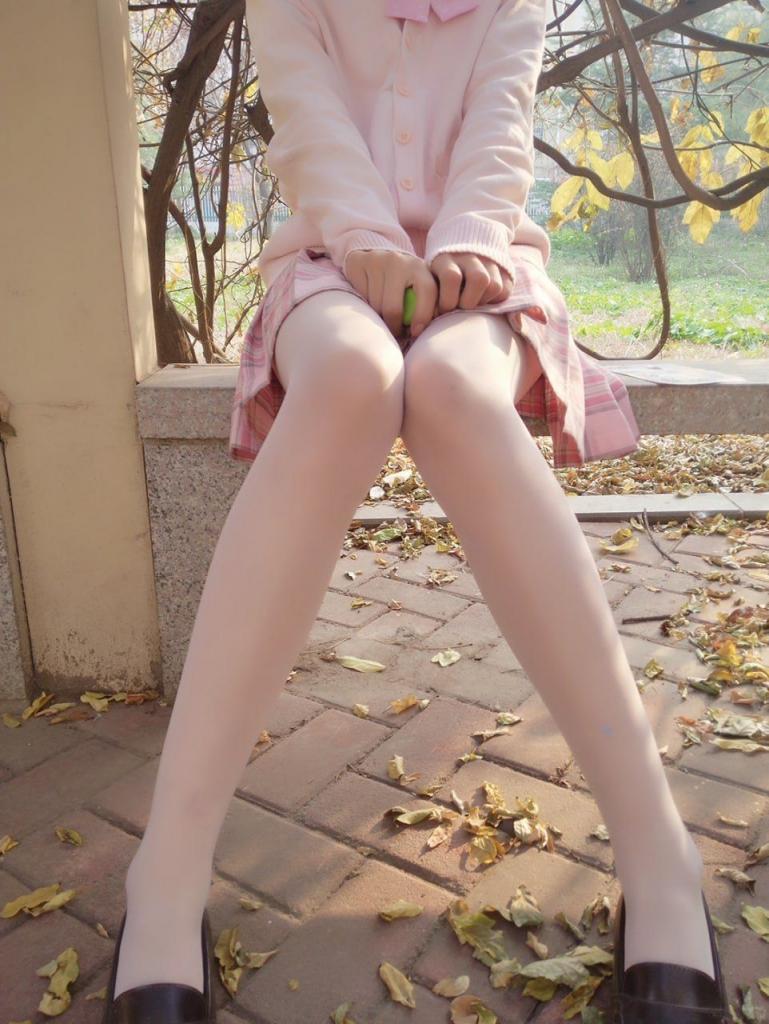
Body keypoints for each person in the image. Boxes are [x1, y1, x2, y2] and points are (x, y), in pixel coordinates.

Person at [103, 2, 729, 1022]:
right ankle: (164, 877)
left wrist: (466, 248)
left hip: (485, 271)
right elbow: (311, 130)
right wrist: (365, 246)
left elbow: (498, 135)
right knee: (350, 375)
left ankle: (661, 860)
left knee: (451, 388)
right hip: (326, 267)